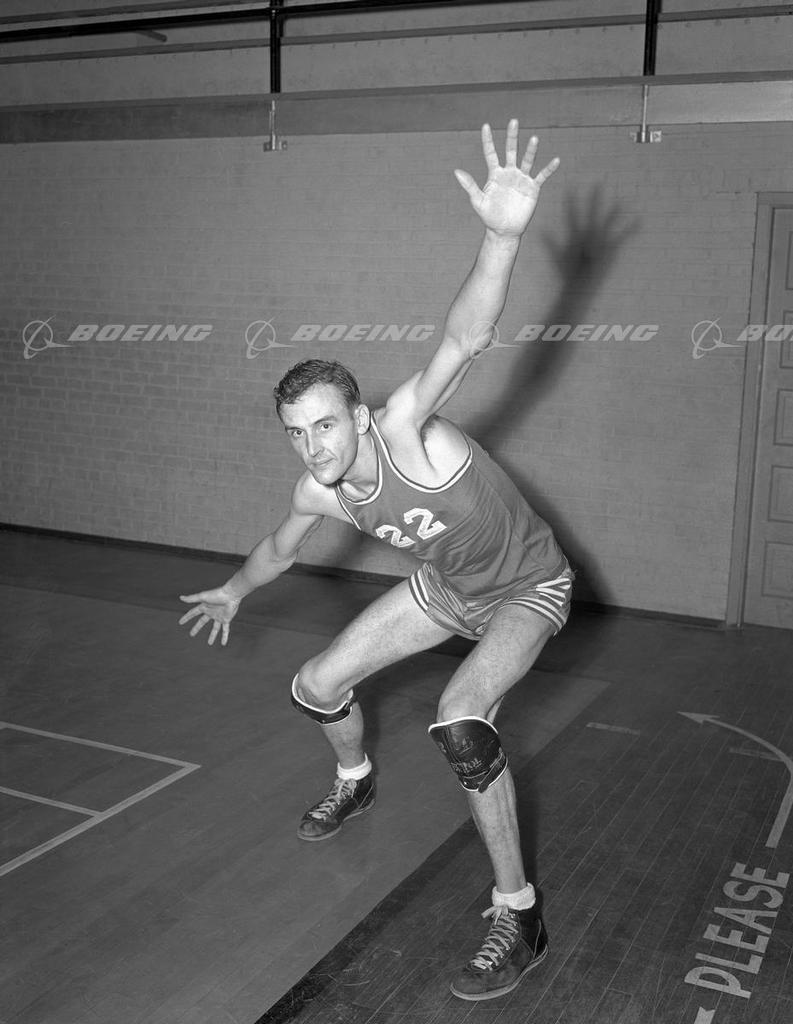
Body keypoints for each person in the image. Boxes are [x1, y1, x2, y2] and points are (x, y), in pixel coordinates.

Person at [179, 120, 572, 1002]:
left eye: (324, 425)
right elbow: (279, 549)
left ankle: (519, 912)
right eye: (295, 433)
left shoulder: (403, 431)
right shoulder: (319, 491)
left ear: (358, 418)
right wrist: (235, 592)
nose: (311, 445)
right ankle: (353, 781)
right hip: (448, 589)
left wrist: (501, 236)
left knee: (460, 722)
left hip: (526, 590)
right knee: (313, 685)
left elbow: (463, 339)